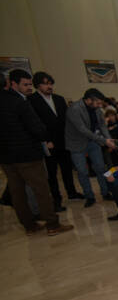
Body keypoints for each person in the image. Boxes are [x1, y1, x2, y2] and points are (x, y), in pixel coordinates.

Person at [0, 69, 73, 236]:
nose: (28, 88)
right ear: (12, 84)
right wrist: (44, 137)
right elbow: (37, 129)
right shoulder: (20, 103)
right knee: (41, 190)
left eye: (29, 84)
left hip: (5, 156)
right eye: (25, 85)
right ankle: (52, 224)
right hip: (27, 154)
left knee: (17, 192)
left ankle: (29, 225)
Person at [28, 71, 80, 209]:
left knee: (67, 169)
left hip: (63, 140)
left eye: (50, 83)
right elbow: (35, 123)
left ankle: (72, 192)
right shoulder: (32, 100)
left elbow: (65, 120)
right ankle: (56, 199)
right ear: (38, 85)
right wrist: (45, 140)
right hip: (48, 142)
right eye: (45, 84)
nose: (49, 86)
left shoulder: (59, 99)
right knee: (51, 173)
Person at [64, 88, 117, 207]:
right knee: (82, 171)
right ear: (88, 100)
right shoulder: (74, 109)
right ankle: (89, 196)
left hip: (93, 142)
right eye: (97, 103)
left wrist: (109, 139)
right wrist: (104, 140)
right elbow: (83, 130)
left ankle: (105, 192)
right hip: (77, 144)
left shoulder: (97, 109)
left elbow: (102, 125)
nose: (99, 106)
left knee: (100, 167)